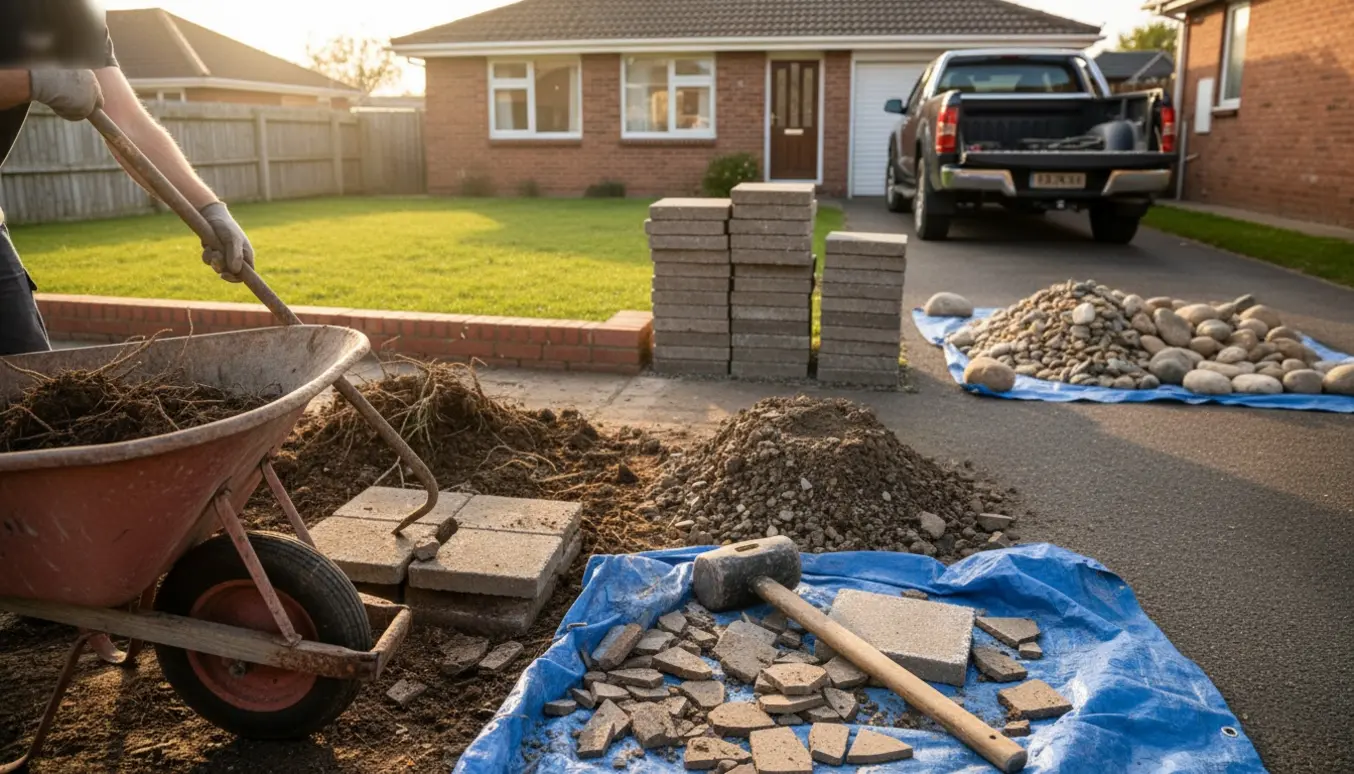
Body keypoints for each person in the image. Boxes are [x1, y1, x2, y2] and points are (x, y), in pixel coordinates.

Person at [0, 29, 255, 356]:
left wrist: (208, 209)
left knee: (29, 382)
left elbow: (129, 124)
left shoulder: (66, 17)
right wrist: (31, 80)